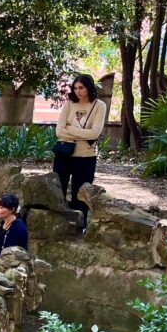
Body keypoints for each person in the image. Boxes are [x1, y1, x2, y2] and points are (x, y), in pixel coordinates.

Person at [54, 74, 107, 230]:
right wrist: (81, 134)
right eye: (75, 88)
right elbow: (59, 131)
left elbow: (95, 133)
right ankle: (58, 222)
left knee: (81, 192)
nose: (78, 91)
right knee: (58, 188)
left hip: (85, 156)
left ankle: (79, 225)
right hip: (64, 152)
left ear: (89, 87)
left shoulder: (99, 106)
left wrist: (69, 128)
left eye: (81, 88)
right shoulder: (69, 104)